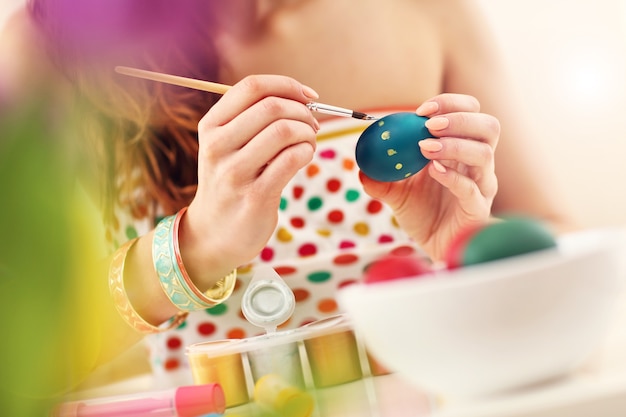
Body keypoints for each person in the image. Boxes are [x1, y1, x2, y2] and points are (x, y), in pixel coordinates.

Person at [0, 0, 576, 392]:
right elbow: (18, 354)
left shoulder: (422, 8)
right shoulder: (53, 39)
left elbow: (557, 244)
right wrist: (191, 251)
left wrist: (468, 249)